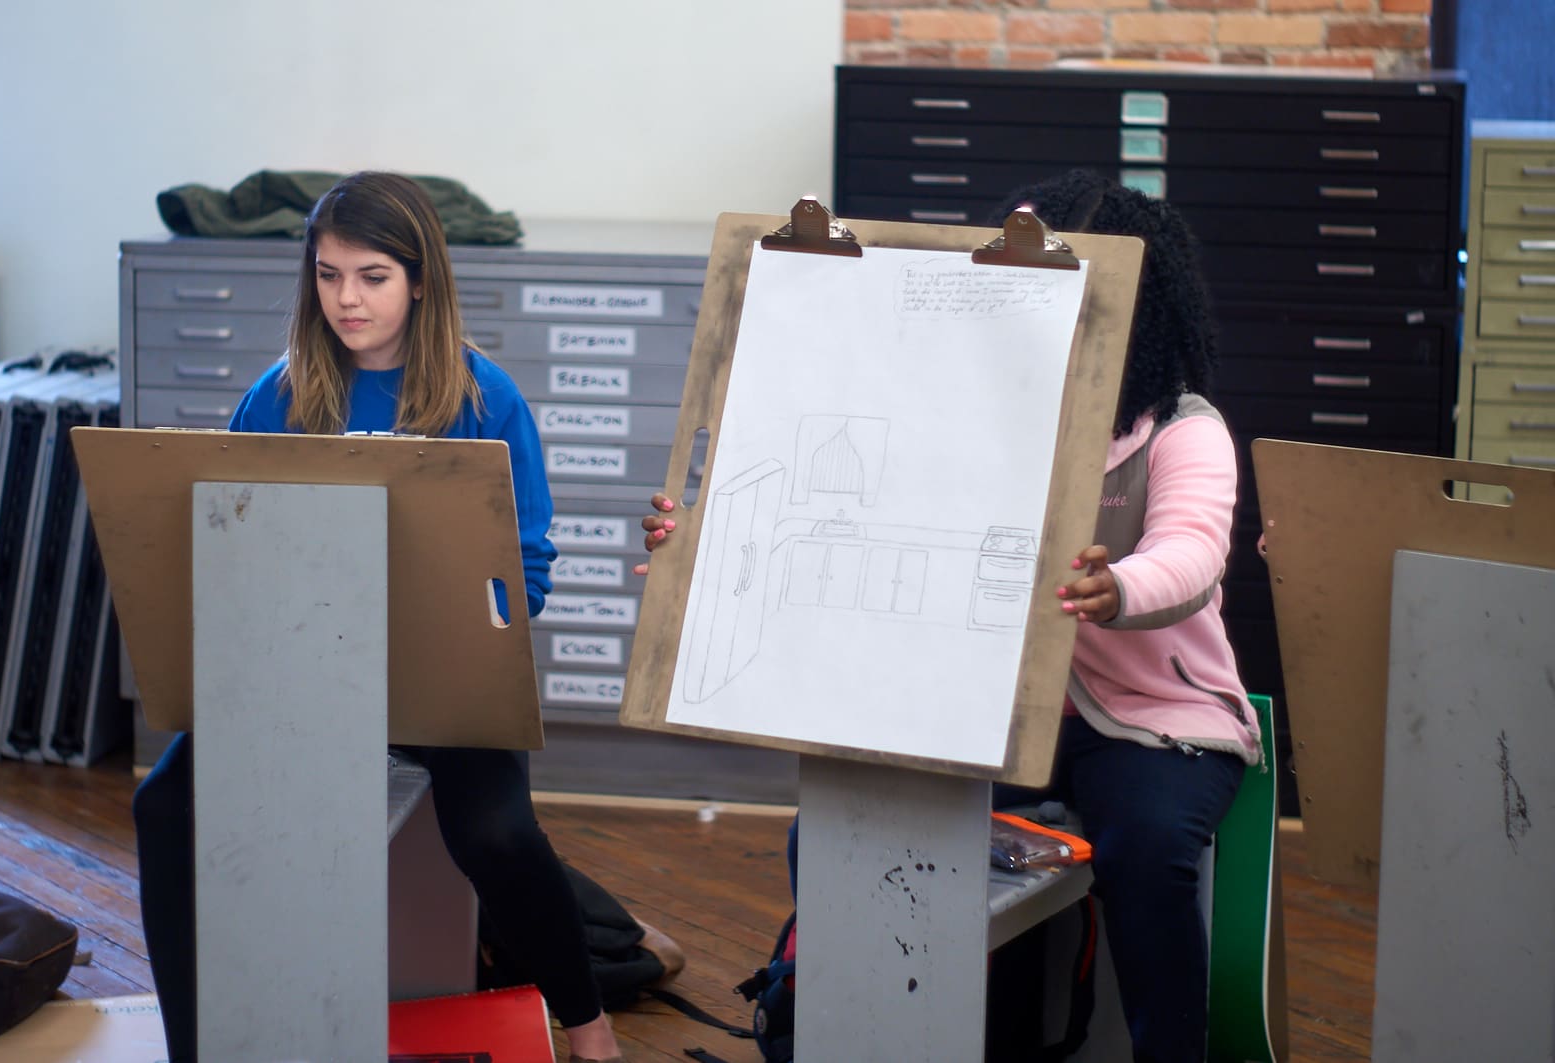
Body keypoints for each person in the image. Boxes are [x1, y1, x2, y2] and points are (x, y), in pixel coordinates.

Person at [635, 169, 1261, 1063]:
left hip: (1154, 722)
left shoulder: (1182, 427)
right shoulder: (969, 411)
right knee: (843, 825)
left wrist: (1118, 587)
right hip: (986, 710)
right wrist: (697, 543)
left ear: (1131, 296)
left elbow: (1194, 552)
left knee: (1148, 850)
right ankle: (858, 1029)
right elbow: (831, 510)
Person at [132, 171, 626, 1063]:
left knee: (497, 833)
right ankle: (190, 1046)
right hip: (301, 672)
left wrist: (469, 620)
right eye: (327, 276)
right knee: (165, 805)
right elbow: (229, 540)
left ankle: (589, 1028)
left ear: (420, 280)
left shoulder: (485, 397)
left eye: (371, 277)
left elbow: (531, 569)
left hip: (438, 678)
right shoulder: (279, 395)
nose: (346, 300)